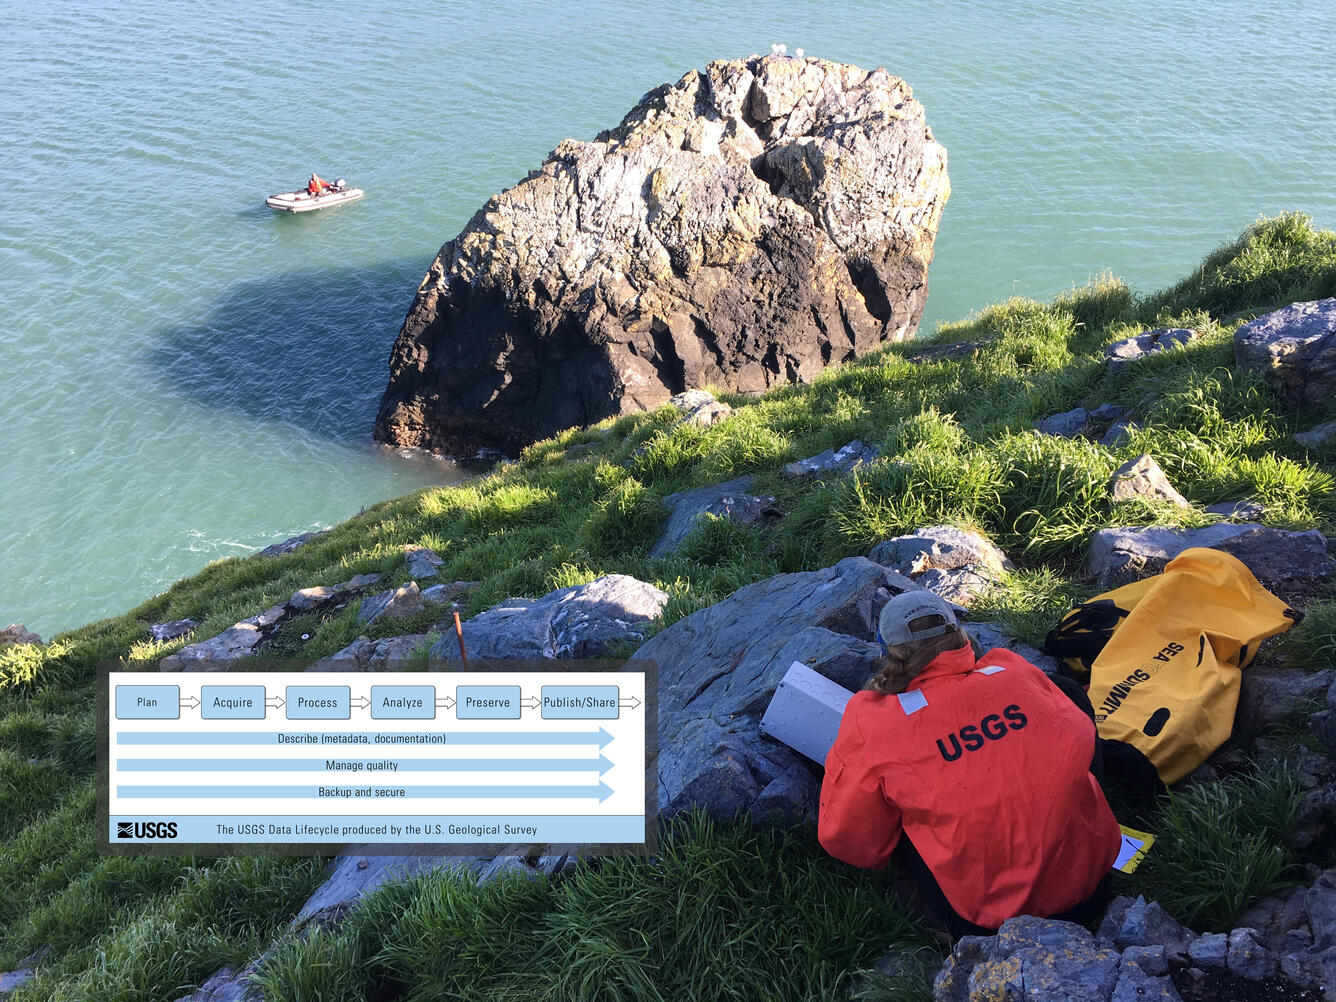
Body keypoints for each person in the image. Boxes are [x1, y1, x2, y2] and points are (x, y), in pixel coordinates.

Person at [818, 590, 1122, 936]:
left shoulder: (873, 720)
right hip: (1091, 887)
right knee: (1063, 698)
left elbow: (851, 840)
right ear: (958, 633)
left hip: (986, 919)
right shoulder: (1014, 671)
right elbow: (1080, 732)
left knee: (891, 812)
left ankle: (932, 910)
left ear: (887, 649)